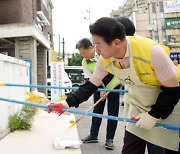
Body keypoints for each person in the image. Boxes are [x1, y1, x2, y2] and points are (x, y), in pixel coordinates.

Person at [48, 17, 180, 154]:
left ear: (116, 42)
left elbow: (173, 90)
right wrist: (66, 103)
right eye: (94, 44)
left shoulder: (152, 52)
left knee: (166, 148)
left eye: (98, 44)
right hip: (137, 104)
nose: (96, 49)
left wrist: (154, 115)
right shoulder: (104, 60)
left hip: (166, 105)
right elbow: (90, 86)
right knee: (130, 149)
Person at [75, 38, 120, 150]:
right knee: (97, 110)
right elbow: (90, 79)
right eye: (81, 54)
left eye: (84, 53)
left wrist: (105, 89)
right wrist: (100, 90)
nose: (83, 56)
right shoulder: (85, 62)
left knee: (112, 112)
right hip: (98, 87)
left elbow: (112, 72)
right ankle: (93, 135)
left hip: (114, 85)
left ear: (91, 48)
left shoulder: (104, 54)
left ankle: (110, 139)